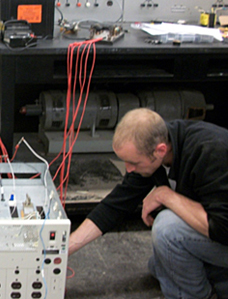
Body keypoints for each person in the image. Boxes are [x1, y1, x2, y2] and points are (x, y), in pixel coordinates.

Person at [68, 108, 228, 299]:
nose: (128, 169)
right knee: (160, 264)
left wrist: (167, 196)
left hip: (223, 231)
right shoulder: (157, 147)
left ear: (160, 150)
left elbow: (222, 227)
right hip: (216, 233)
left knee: (168, 231)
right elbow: (115, 205)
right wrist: (62, 249)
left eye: (134, 162)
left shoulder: (211, 151)